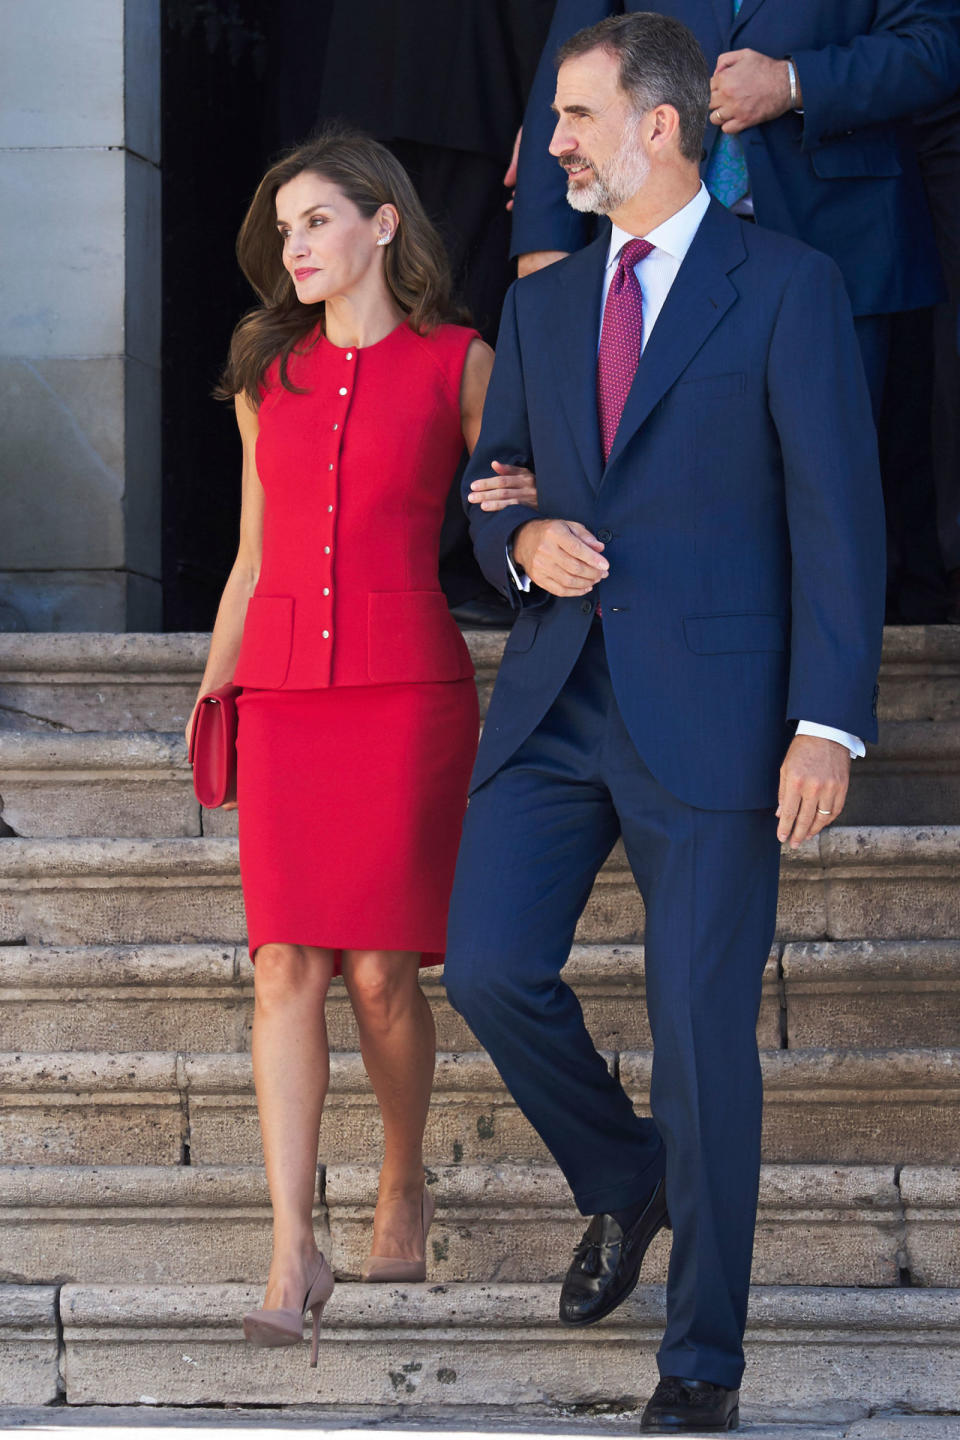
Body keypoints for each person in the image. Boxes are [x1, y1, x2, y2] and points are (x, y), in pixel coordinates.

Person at [443, 14, 885, 1432]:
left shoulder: (788, 286)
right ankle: (628, 1180)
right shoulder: (549, 303)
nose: (552, 144)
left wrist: (828, 722)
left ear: (662, 126)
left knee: (703, 1039)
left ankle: (701, 1366)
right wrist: (523, 549)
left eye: (574, 117)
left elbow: (839, 523)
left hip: (717, 716)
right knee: (487, 969)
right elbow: (494, 485)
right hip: (557, 704)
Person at [188, 130, 536, 1364]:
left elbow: (517, 510)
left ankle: (400, 1180)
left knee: (384, 975)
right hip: (283, 693)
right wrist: (215, 689)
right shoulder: (262, 377)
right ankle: (292, 1242)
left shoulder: (463, 363)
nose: (296, 247)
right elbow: (250, 555)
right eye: (285, 230)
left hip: (405, 693)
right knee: (286, 966)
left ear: (385, 224)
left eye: (318, 221)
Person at [510, 0, 960, 411]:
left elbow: (934, 43)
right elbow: (572, 60)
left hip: (840, 243)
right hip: (653, 244)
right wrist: (547, 241)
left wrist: (793, 82)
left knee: (830, 466)